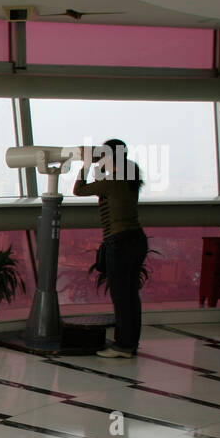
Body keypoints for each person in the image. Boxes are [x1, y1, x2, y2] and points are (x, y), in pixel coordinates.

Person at [72, 138, 148, 358]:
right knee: (131, 295)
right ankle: (130, 343)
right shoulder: (128, 177)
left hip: (120, 241)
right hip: (137, 240)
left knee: (121, 296)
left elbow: (79, 189)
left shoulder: (113, 180)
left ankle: (122, 346)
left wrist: (85, 165)